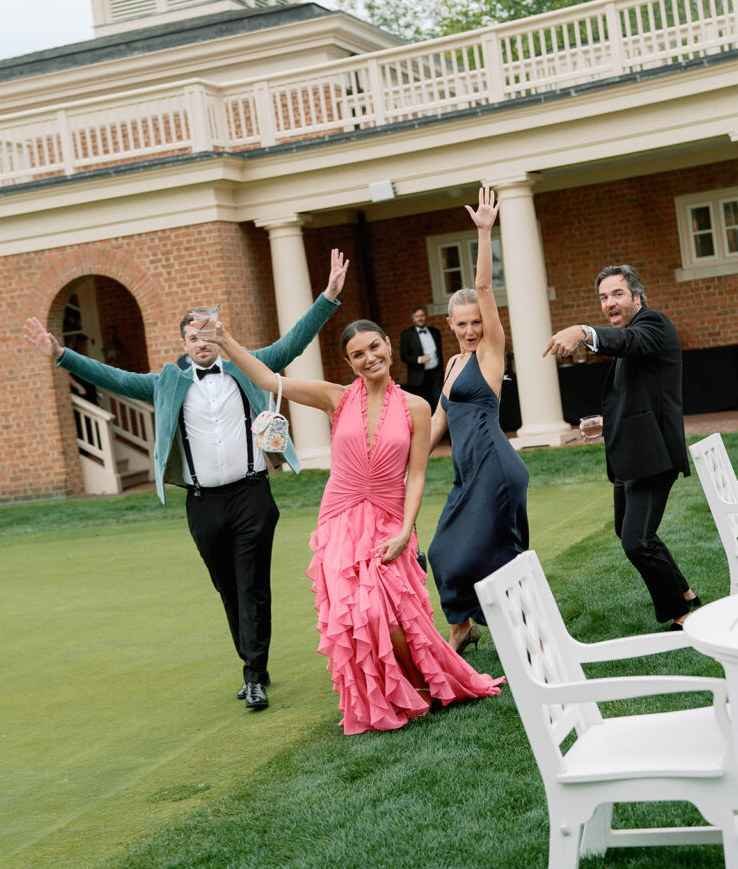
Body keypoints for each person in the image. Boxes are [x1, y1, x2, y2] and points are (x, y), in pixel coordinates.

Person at [22, 251, 349, 711]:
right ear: (184, 340)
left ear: (219, 336)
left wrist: (329, 297)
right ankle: (254, 658)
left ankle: (253, 674)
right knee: (227, 586)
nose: (202, 343)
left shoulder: (246, 365)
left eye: (209, 334)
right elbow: (112, 377)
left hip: (253, 494)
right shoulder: (167, 382)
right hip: (202, 504)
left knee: (252, 582)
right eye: (193, 336)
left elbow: (293, 344)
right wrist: (62, 356)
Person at [208, 316, 505, 734]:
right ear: (349, 364)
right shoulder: (337, 398)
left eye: (374, 348)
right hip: (339, 517)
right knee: (356, 617)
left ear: (387, 345)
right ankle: (389, 694)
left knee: (395, 613)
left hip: (388, 517)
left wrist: (406, 530)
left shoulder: (418, 407)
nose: (369, 358)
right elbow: (267, 378)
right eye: (358, 355)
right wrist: (225, 340)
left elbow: (416, 475)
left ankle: (422, 685)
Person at [543, 263, 699, 631]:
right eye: (603, 297)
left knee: (637, 541)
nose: (609, 303)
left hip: (652, 455)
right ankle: (686, 594)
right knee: (630, 533)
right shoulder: (631, 332)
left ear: (637, 296)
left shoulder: (653, 325)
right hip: (630, 453)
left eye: (617, 294)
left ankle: (683, 615)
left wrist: (583, 331)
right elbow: (640, 396)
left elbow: (627, 343)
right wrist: (606, 423)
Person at [427, 187, 530, 653]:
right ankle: (464, 627)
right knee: (443, 552)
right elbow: (433, 428)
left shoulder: (490, 354)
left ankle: (533, 637)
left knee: (502, 558)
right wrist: (390, 468)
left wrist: (485, 232)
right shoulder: (451, 366)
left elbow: (485, 287)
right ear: (448, 323)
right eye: (462, 323)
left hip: (495, 468)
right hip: (467, 474)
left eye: (476, 323)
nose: (471, 330)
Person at [400, 306, 444, 411]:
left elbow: (440, 353)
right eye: (417, 316)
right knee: (425, 405)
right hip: (419, 376)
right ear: (413, 319)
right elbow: (404, 356)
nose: (420, 318)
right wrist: (419, 359)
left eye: (422, 315)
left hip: (436, 373)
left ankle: (445, 426)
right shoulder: (407, 335)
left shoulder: (435, 332)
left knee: (440, 401)